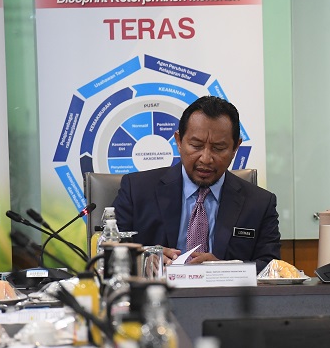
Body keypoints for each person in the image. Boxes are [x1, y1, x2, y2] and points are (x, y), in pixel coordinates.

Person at [113, 96, 280, 272]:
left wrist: (225, 269)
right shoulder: (137, 190)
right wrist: (141, 259)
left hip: (224, 290)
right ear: (179, 141)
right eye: (196, 145)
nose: (206, 159)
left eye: (219, 148)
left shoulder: (260, 203)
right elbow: (108, 250)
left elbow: (272, 266)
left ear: (235, 148)